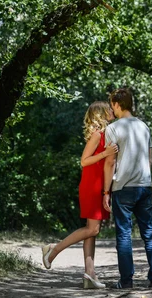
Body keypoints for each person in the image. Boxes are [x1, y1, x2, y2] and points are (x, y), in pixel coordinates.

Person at [41, 101, 118, 289]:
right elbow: (84, 161)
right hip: (91, 186)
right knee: (92, 230)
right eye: (108, 109)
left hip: (99, 185)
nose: (111, 111)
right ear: (101, 114)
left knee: (92, 231)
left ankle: (89, 275)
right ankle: (53, 250)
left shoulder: (106, 134)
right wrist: (104, 154)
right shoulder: (97, 135)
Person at [102, 88, 152, 289]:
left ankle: (126, 280)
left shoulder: (113, 128)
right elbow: (150, 157)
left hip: (123, 187)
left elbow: (110, 162)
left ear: (118, 104)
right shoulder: (144, 127)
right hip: (144, 185)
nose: (112, 108)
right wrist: (144, 176)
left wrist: (106, 191)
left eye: (112, 104)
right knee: (149, 231)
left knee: (124, 234)